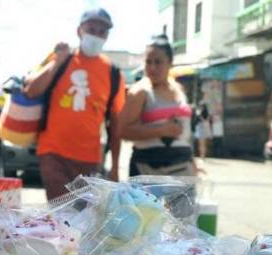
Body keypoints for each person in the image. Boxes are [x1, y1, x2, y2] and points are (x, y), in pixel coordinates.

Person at [24, 8, 126, 200]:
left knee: (85, 221)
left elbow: (116, 125)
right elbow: (31, 90)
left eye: (102, 31)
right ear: (79, 31)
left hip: (89, 160)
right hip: (53, 154)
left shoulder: (113, 74)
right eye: (91, 29)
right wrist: (56, 62)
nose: (96, 35)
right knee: (63, 217)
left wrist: (114, 168)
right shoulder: (62, 58)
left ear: (107, 36)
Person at [120, 34, 202, 177]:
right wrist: (161, 130)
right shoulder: (139, 92)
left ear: (169, 63)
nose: (152, 67)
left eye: (158, 62)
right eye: (148, 62)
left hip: (183, 167)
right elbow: (123, 131)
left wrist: (193, 162)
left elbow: (186, 135)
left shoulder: (179, 89)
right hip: (148, 169)